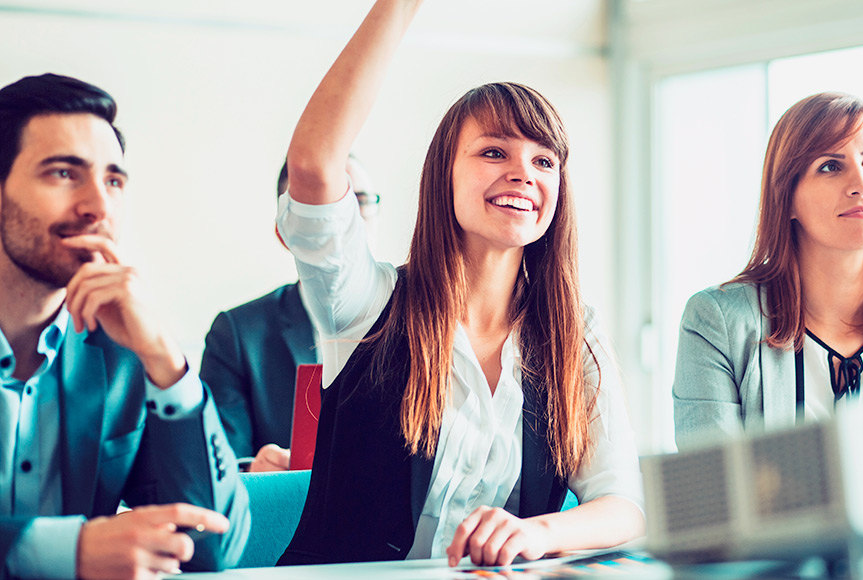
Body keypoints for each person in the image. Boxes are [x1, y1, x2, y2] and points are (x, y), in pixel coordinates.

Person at [274, 0, 644, 568]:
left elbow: (622, 505)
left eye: (544, 161)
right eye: (494, 152)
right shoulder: (365, 304)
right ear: (443, 174)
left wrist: (537, 534)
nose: (523, 172)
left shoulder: (575, 331)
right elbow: (315, 165)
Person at [0, 73, 249, 579]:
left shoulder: (121, 351)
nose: (99, 205)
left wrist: (165, 361)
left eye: (113, 180)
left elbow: (214, 547)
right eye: (63, 173)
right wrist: (66, 549)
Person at [672, 92, 863, 449]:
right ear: (786, 199)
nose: (862, 184)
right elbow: (712, 489)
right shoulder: (717, 321)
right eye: (831, 166)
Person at [200, 156, 378, 472]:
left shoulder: (421, 321)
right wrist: (253, 471)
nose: (348, 223)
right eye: (324, 208)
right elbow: (217, 470)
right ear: (286, 232)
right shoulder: (238, 334)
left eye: (360, 203)